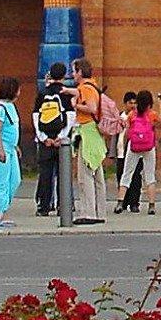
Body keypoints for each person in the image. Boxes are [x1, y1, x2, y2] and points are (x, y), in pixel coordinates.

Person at [69, 56, 109, 225]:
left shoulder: (85, 88)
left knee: (85, 176)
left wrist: (75, 106)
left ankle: (88, 212)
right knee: (97, 175)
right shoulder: (93, 86)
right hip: (95, 133)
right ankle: (100, 212)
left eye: (74, 71)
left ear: (80, 72)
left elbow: (91, 107)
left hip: (87, 132)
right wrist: (67, 91)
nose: (72, 74)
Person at [116, 89, 160, 214]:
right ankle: (151, 205)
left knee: (127, 173)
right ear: (149, 103)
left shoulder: (132, 115)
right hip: (149, 146)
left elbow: (127, 132)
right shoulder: (152, 115)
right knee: (150, 175)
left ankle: (120, 203)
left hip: (134, 146)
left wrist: (127, 143)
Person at [33, 68, 70, 216]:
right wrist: (61, 137)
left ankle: (44, 206)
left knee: (45, 174)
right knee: (63, 174)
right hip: (61, 142)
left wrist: (43, 138)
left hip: (45, 141)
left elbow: (36, 116)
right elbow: (70, 117)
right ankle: (63, 206)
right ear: (63, 76)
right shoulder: (65, 93)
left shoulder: (42, 93)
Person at [0, 77, 22, 230]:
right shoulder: (0, 108)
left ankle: (1, 208)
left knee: (15, 179)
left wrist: (15, 146)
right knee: (2, 180)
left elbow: (12, 129)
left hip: (10, 147)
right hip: (0, 148)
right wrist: (0, 149)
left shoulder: (11, 107)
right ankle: (2, 211)